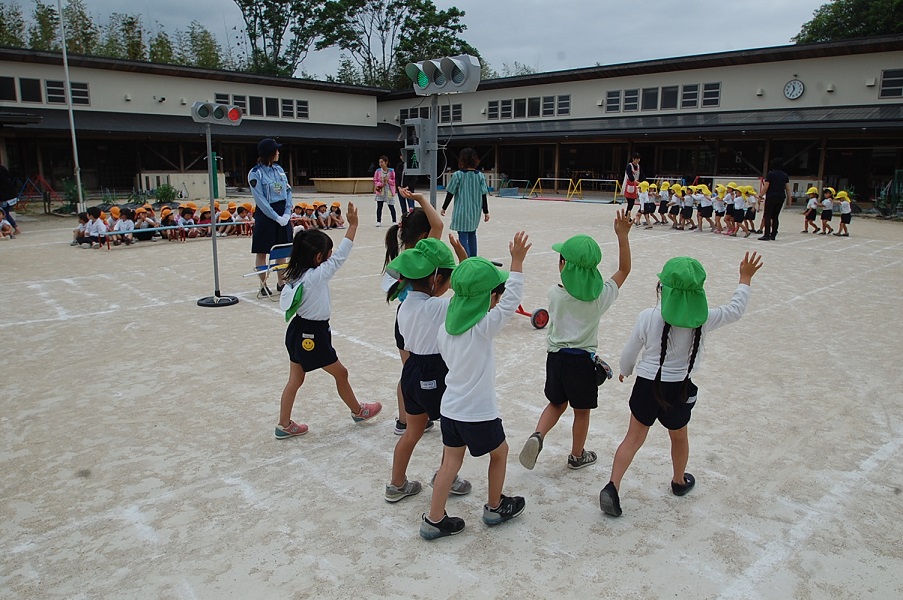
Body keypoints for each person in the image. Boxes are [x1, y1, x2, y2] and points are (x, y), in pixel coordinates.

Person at [599, 252, 764, 518]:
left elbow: (630, 352)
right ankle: (678, 480)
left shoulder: (648, 316)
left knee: (633, 438)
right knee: (678, 436)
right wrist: (744, 278)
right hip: (679, 388)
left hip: (645, 385)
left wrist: (625, 370)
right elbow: (735, 310)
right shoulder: (704, 318)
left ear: (661, 288)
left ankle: (613, 485)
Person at [421, 232, 531, 540]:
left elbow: (465, 292)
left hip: (451, 410)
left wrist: (463, 257)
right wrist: (517, 262)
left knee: (450, 463)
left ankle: (434, 518)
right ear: (490, 299)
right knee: (500, 452)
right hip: (478, 412)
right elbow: (510, 302)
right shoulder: (483, 328)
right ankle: (495, 507)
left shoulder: (446, 329)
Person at [519, 212, 632, 472]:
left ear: (563, 265)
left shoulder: (555, 294)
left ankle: (538, 435)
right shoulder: (599, 297)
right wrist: (622, 236)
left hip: (556, 358)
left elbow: (566, 285)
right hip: (582, 362)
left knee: (556, 403)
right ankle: (577, 455)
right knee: (581, 412)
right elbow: (624, 270)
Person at [276, 202, 382, 439]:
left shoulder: (297, 272)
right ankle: (358, 410)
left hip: (297, 331)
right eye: (327, 253)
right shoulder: (315, 276)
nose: (331, 256)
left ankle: (284, 424)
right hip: (313, 335)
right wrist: (353, 226)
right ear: (317, 258)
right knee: (340, 373)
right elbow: (341, 256)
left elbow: (335, 257)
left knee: (295, 379)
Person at [384, 238, 472, 503]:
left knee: (413, 431)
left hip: (411, 370)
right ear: (436, 279)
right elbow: (470, 291)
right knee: (453, 431)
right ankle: (447, 475)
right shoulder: (436, 307)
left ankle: (396, 484)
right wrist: (463, 257)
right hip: (436, 371)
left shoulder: (405, 304)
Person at [384, 188, 446, 436]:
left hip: (404, 316)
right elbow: (438, 224)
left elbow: (435, 225)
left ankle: (404, 419)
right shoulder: (424, 254)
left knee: (408, 370)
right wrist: (420, 198)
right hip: (423, 314)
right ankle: (428, 413)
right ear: (424, 235)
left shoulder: (404, 256)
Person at [249, 138, 293, 299]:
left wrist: (287, 212)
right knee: (262, 251)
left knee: (282, 249)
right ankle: (263, 284)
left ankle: (281, 282)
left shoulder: (279, 170)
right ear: (269, 153)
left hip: (283, 213)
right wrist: (275, 217)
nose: (279, 152)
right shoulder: (255, 173)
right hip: (266, 215)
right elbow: (260, 199)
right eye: (276, 150)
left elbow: (288, 191)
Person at [441, 148, 490, 258]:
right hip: (475, 212)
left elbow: (450, 193)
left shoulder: (458, 175)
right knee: (472, 234)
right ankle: (473, 258)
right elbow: (484, 195)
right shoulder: (480, 176)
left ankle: (465, 259)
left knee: (462, 234)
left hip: (462, 211)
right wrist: (486, 211)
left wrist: (444, 207)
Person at [759, 158, 791, 241]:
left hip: (771, 196)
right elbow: (787, 188)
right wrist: (789, 199)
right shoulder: (785, 175)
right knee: (775, 216)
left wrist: (760, 196)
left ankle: (766, 234)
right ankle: (773, 234)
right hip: (781, 196)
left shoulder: (770, 174)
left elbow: (766, 186)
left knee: (767, 215)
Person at [373, 156, 397, 227]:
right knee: (379, 206)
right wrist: (380, 183)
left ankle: (394, 220)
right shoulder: (378, 171)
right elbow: (375, 180)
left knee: (391, 206)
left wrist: (388, 180)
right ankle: (378, 221)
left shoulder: (391, 171)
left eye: (382, 162)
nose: (380, 164)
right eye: (379, 162)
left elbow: (395, 180)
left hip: (389, 189)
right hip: (381, 190)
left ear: (386, 162)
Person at [0, 165, 21, 235]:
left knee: (4, 214)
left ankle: (15, 228)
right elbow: (9, 175)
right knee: (5, 213)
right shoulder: (3, 169)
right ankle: (14, 228)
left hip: (6, 197)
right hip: (11, 195)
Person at [622, 152, 641, 219]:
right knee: (630, 202)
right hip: (628, 185)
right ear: (633, 159)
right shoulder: (629, 166)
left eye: (639, 159)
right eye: (637, 159)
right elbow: (630, 176)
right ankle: (627, 215)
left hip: (635, 186)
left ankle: (627, 215)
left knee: (632, 203)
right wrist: (636, 182)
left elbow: (641, 175)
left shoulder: (638, 166)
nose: (638, 160)